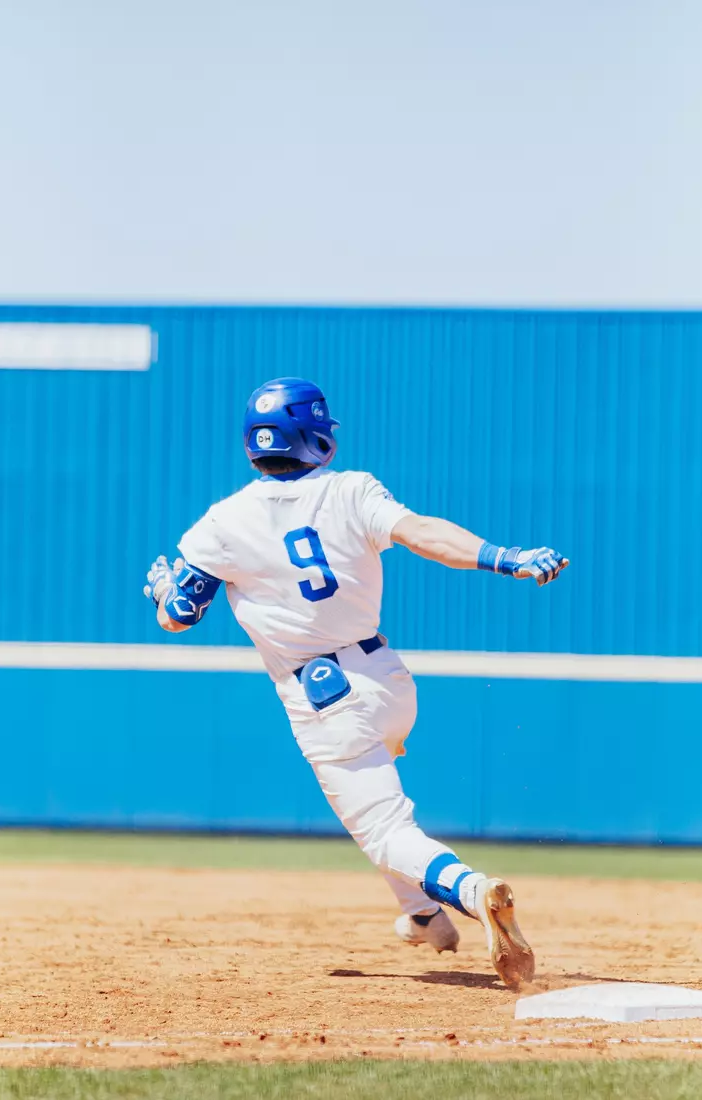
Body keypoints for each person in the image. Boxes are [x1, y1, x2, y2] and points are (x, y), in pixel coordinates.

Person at [142, 377, 568, 989]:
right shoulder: (350, 489)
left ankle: (472, 892)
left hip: (324, 700)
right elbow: (424, 534)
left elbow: (179, 615)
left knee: (387, 830)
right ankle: (422, 914)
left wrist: (164, 589)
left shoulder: (223, 521)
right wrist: (506, 557)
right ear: (315, 436)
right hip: (387, 682)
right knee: (376, 812)